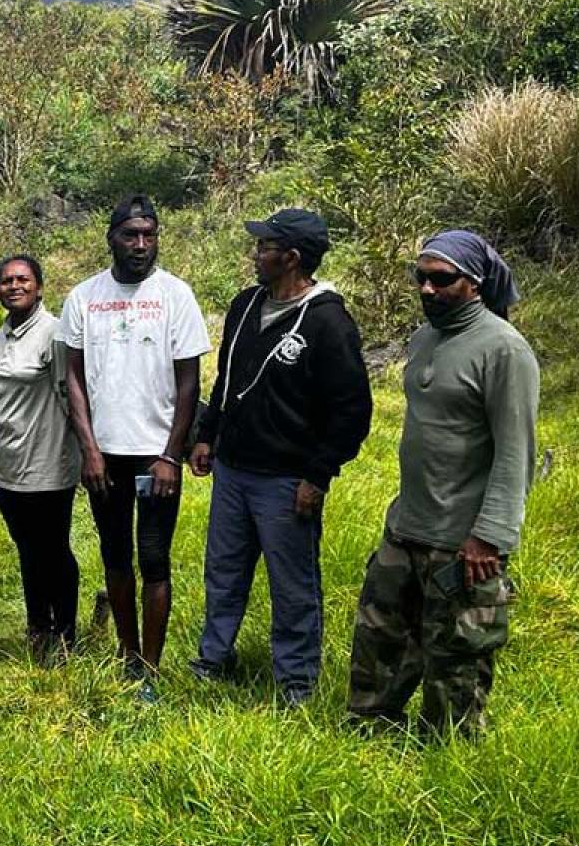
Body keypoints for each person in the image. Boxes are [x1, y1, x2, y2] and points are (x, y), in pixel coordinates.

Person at [348, 230, 538, 737]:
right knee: (378, 635)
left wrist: (490, 537)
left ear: (473, 284)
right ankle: (370, 731)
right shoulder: (424, 338)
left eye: (442, 279)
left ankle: (445, 750)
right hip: (406, 524)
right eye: (421, 278)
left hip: (462, 540)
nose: (428, 289)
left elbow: (516, 452)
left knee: (455, 655)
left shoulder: (504, 351)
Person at [188, 209, 373, 705]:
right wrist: (207, 434)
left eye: (265, 246)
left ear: (291, 258)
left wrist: (318, 474)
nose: (256, 254)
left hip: (286, 480)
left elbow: (353, 410)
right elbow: (225, 378)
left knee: (292, 583)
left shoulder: (328, 321)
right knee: (223, 570)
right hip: (233, 469)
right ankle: (214, 657)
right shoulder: (246, 304)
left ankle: (295, 680)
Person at [60, 195, 210, 701]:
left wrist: (171, 455)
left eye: (149, 234)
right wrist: (90, 449)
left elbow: (189, 382)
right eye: (131, 234)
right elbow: (73, 379)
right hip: (105, 455)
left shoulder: (175, 296)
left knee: (155, 557)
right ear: (112, 238)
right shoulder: (84, 297)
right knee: (114, 553)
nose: (141, 244)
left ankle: (151, 665)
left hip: (155, 456)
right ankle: (127, 655)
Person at [0, 254, 82, 664]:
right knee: (26, 548)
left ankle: (65, 633)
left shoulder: (54, 334)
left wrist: (85, 453)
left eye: (23, 279)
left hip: (48, 464)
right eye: (6, 281)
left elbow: (72, 397)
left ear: (39, 287)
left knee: (54, 549)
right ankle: (37, 624)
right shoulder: (3, 331)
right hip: (7, 464)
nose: (14, 286)